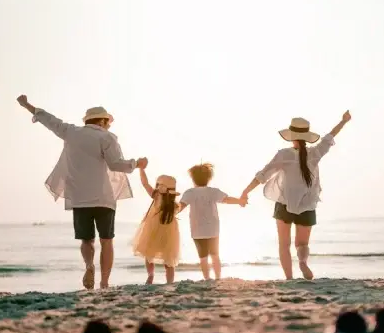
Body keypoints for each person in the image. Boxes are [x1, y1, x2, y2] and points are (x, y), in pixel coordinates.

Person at [16, 95, 147, 290]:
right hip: (103, 198)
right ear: (102, 121)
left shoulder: (71, 132)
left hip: (79, 197)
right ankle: (104, 283)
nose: (109, 126)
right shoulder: (107, 137)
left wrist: (28, 105)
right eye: (107, 122)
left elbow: (49, 120)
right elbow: (115, 164)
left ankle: (89, 265)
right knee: (107, 240)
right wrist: (136, 164)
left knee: (87, 239)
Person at [240, 111, 352, 280]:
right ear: (306, 137)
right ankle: (302, 262)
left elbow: (263, 175)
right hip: (307, 204)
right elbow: (330, 136)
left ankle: (289, 278)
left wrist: (245, 192)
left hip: (284, 203)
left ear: (291, 136)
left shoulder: (284, 155)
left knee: (284, 245)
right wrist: (343, 121)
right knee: (302, 244)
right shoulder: (315, 153)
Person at [178, 163, 247, 280]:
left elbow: (180, 206)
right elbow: (227, 200)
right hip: (213, 229)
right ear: (208, 178)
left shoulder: (189, 193)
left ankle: (207, 278)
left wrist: (169, 212)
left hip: (197, 230)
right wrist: (239, 201)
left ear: (193, 179)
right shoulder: (213, 191)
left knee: (203, 256)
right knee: (215, 255)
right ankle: (218, 277)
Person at [132, 170, 181, 284]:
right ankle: (170, 281)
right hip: (170, 233)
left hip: (153, 230)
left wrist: (142, 170)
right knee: (169, 259)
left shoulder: (156, 196)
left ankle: (150, 275)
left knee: (148, 253)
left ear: (159, 187)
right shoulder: (174, 205)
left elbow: (145, 183)